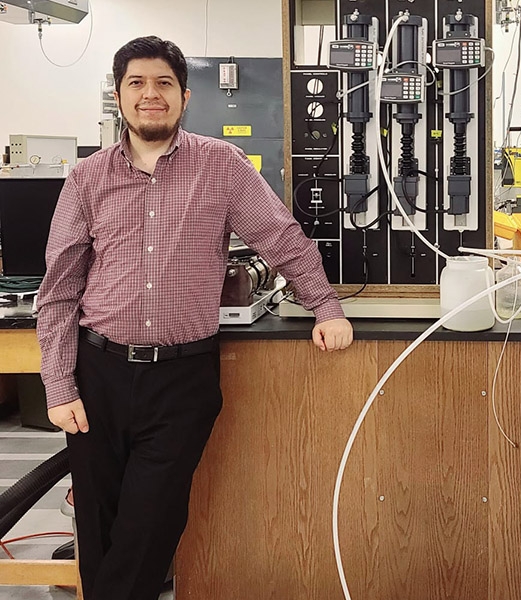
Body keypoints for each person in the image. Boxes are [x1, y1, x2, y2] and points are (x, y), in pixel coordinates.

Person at [36, 36, 353, 600]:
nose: (149, 94)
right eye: (136, 83)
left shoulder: (221, 165)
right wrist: (59, 384)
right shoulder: (88, 178)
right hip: (99, 375)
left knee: (150, 524)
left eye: (163, 84)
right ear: (119, 97)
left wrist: (324, 305)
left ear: (184, 96)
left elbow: (280, 237)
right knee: (100, 527)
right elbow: (59, 290)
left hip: (182, 380)